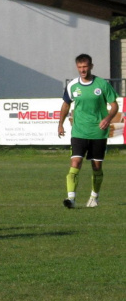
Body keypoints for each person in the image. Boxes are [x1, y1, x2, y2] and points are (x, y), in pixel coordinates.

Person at [58, 54, 118, 209]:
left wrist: (108, 118)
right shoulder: (72, 85)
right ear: (77, 67)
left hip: (98, 132)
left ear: (91, 66)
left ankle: (94, 197)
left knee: (96, 167)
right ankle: (71, 199)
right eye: (80, 67)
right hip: (79, 132)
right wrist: (60, 124)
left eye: (85, 67)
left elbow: (114, 105)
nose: (82, 70)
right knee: (75, 162)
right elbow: (65, 106)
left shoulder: (102, 84)